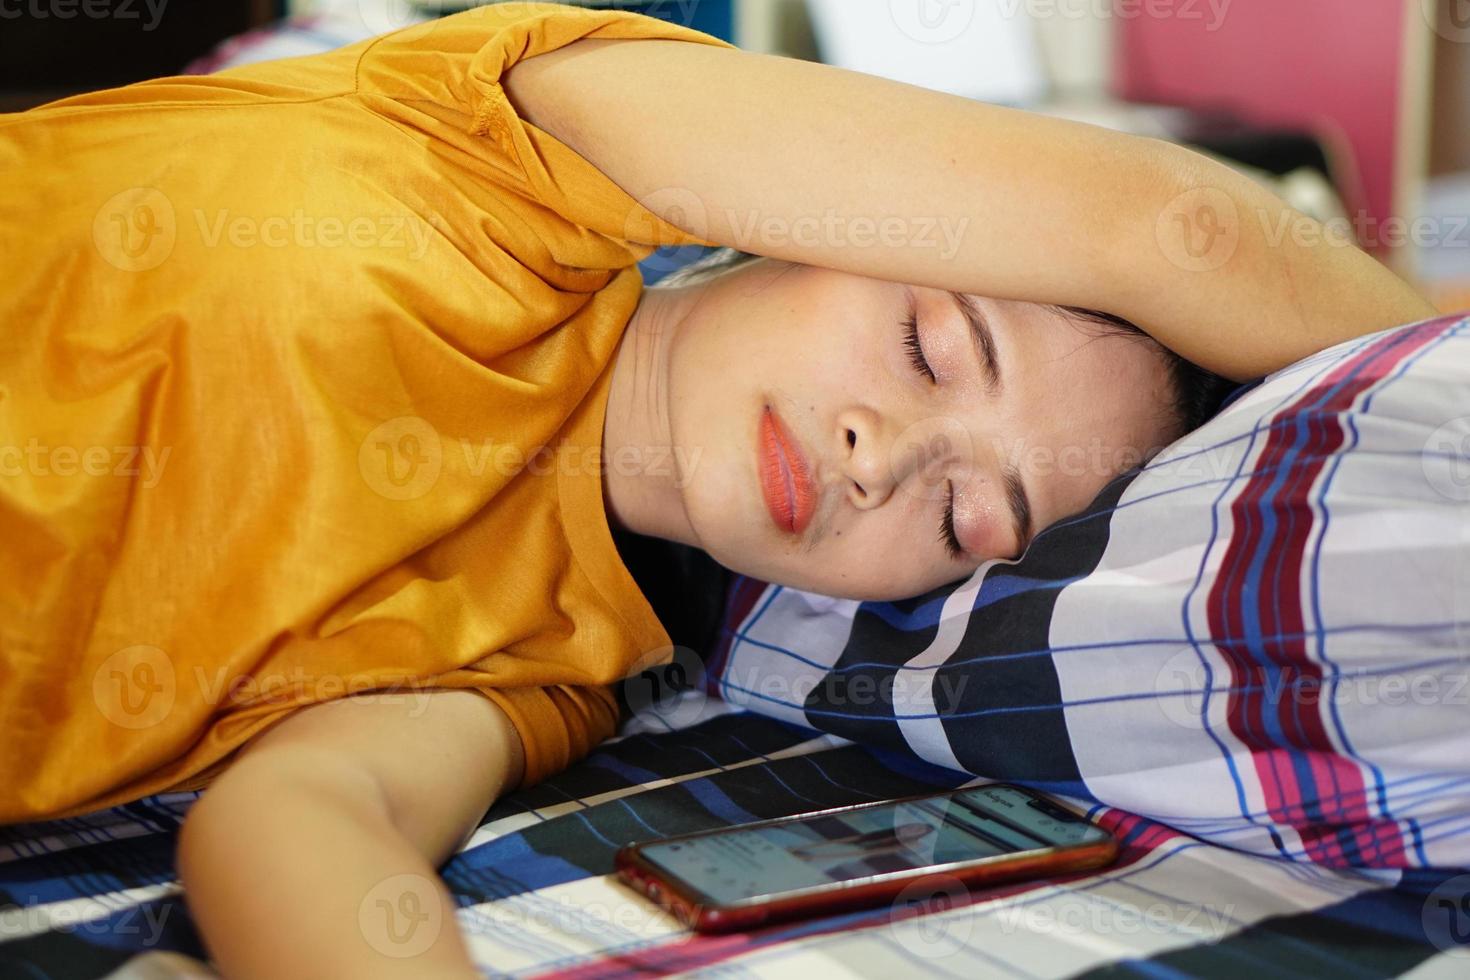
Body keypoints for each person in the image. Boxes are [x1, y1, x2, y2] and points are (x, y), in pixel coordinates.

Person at [0, 3, 1436, 976]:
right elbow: (1163, 230)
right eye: (925, 345)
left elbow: (301, 826)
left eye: (962, 521)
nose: (884, 454)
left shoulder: (552, 663)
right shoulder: (505, 141)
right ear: (793, 222)